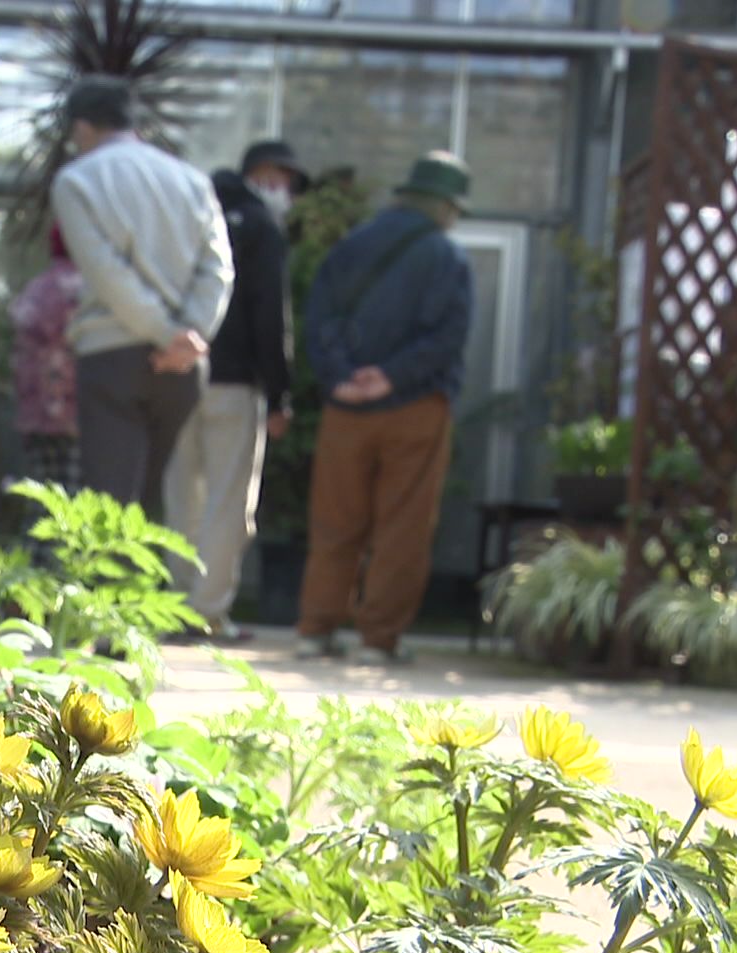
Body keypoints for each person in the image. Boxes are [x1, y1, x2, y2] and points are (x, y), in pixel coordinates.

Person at [293, 151, 475, 666]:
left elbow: (318, 318)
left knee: (334, 522)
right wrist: (392, 376)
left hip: (344, 408)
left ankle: (315, 629)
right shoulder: (447, 258)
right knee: (403, 526)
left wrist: (343, 376)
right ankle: (377, 640)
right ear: (446, 206)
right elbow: (449, 337)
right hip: (416, 406)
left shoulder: (352, 247)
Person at [49, 76, 234, 520]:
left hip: (112, 355)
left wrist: (167, 333)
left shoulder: (77, 181)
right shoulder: (193, 181)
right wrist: (189, 336)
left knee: (106, 514)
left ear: (82, 128)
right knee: (149, 517)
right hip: (183, 369)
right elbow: (218, 268)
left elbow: (107, 273)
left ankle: (102, 592)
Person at [164, 140, 306, 642]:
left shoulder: (189, 217)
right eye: (287, 180)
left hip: (179, 375)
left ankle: (173, 609)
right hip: (235, 383)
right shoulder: (261, 227)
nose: (287, 192)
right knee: (227, 502)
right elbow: (271, 316)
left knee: (181, 495)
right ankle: (208, 612)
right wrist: (279, 393)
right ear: (266, 174)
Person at [9, 226, 85, 489]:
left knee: (40, 497)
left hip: (34, 414)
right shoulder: (86, 289)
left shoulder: (36, 289)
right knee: (74, 503)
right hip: (76, 413)